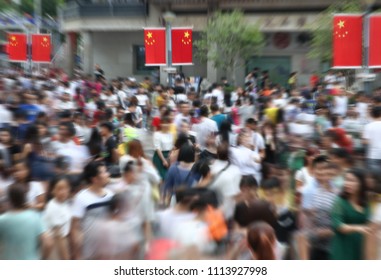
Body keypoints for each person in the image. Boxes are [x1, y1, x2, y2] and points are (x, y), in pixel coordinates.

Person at [70, 161, 114, 260]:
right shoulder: (81, 198)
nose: (108, 174)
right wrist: (77, 254)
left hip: (108, 250)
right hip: (88, 252)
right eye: (104, 172)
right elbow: (75, 228)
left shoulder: (110, 195)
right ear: (94, 179)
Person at [0, 183, 51, 259]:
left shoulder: (2, 220)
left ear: (9, 199)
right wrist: (43, 259)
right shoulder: (34, 217)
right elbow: (48, 243)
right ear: (25, 198)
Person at [331, 169, 371, 260]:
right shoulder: (340, 202)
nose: (347, 183)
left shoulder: (366, 203)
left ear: (361, 183)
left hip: (360, 246)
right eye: (346, 180)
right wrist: (358, 228)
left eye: (352, 180)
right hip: (343, 247)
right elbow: (338, 225)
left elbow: (370, 223)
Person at [43, 176, 71, 260]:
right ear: (52, 191)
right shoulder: (53, 207)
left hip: (62, 243)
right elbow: (59, 236)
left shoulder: (63, 202)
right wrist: (66, 258)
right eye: (59, 189)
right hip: (55, 248)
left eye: (66, 188)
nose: (63, 192)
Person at [152, 116, 174, 180]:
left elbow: (171, 146)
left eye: (167, 123)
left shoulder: (171, 134)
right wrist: (164, 160)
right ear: (160, 124)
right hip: (159, 157)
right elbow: (158, 148)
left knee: (168, 177)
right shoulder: (157, 134)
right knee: (160, 178)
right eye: (164, 123)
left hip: (169, 156)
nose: (166, 125)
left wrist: (169, 157)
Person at [363, 106, 381, 172]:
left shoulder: (368, 126)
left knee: (374, 179)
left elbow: (365, 142)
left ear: (372, 114)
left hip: (372, 155)